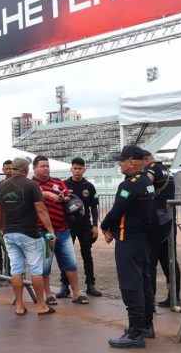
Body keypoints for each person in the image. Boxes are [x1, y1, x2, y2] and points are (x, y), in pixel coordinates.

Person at [101, 145, 157, 348]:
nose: (119, 164)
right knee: (144, 282)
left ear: (132, 163)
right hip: (143, 240)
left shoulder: (129, 185)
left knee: (131, 285)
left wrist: (104, 226)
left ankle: (134, 333)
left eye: (122, 161)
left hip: (128, 241)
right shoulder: (146, 182)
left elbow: (117, 211)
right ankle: (145, 325)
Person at [0, 157, 56, 315]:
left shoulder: (1, 186)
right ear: (26, 170)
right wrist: (50, 230)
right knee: (36, 270)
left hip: (9, 233)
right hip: (29, 232)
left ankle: (20, 306)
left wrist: (0, 228)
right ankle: (41, 306)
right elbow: (41, 210)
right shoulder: (31, 185)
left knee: (16, 269)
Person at [31, 155, 87, 305]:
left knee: (70, 263)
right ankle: (48, 294)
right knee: (45, 265)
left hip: (63, 230)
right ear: (35, 168)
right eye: (42, 166)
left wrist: (64, 198)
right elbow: (29, 195)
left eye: (47, 166)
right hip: (44, 233)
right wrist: (47, 194)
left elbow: (68, 196)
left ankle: (76, 293)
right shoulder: (31, 184)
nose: (46, 168)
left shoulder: (57, 182)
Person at [58, 157, 101, 298]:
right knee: (65, 256)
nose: (77, 171)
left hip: (84, 226)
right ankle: (65, 286)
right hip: (67, 226)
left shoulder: (89, 186)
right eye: (75, 168)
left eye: (80, 169)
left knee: (86, 255)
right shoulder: (64, 185)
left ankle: (90, 284)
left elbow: (94, 207)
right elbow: (59, 206)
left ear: (84, 170)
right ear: (71, 169)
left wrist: (95, 225)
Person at [144, 151, 181, 308]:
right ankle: (174, 297)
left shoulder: (151, 170)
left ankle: (149, 300)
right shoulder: (166, 169)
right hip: (168, 221)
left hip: (155, 222)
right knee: (170, 261)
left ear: (145, 160)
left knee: (150, 262)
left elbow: (146, 186)